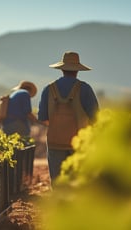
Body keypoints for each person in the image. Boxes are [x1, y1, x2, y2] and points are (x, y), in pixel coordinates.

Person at [38, 51, 99, 184]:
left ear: (62, 69)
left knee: (57, 181)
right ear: (78, 70)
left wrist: (59, 127)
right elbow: (96, 118)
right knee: (78, 181)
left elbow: (43, 118)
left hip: (55, 142)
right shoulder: (85, 89)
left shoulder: (48, 89)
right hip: (78, 142)